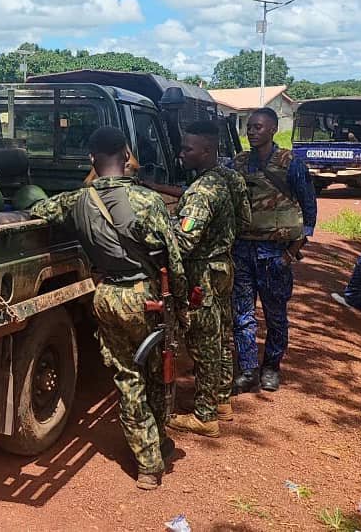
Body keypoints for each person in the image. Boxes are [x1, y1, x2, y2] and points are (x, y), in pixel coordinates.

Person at [30, 126, 188, 490]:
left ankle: (148, 456)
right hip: (145, 296)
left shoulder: (77, 202)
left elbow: (40, 209)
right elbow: (175, 259)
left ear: (91, 159)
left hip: (107, 296)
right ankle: (152, 454)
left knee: (126, 376)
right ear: (127, 153)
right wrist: (179, 306)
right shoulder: (146, 201)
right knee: (155, 372)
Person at [167, 121, 250, 437]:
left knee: (203, 343)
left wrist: (157, 234)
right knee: (223, 336)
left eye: (188, 148)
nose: (181, 153)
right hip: (223, 268)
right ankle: (221, 401)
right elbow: (245, 220)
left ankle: (204, 416)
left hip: (201, 274)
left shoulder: (201, 191)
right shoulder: (229, 178)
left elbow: (183, 242)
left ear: (206, 150)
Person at [231, 107, 317, 393]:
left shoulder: (291, 164)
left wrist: (291, 253)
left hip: (275, 256)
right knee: (242, 315)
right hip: (242, 252)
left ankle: (271, 368)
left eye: (258, 127)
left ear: (272, 130)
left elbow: (309, 212)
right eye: (249, 128)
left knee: (275, 316)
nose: (252, 132)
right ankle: (247, 369)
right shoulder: (238, 163)